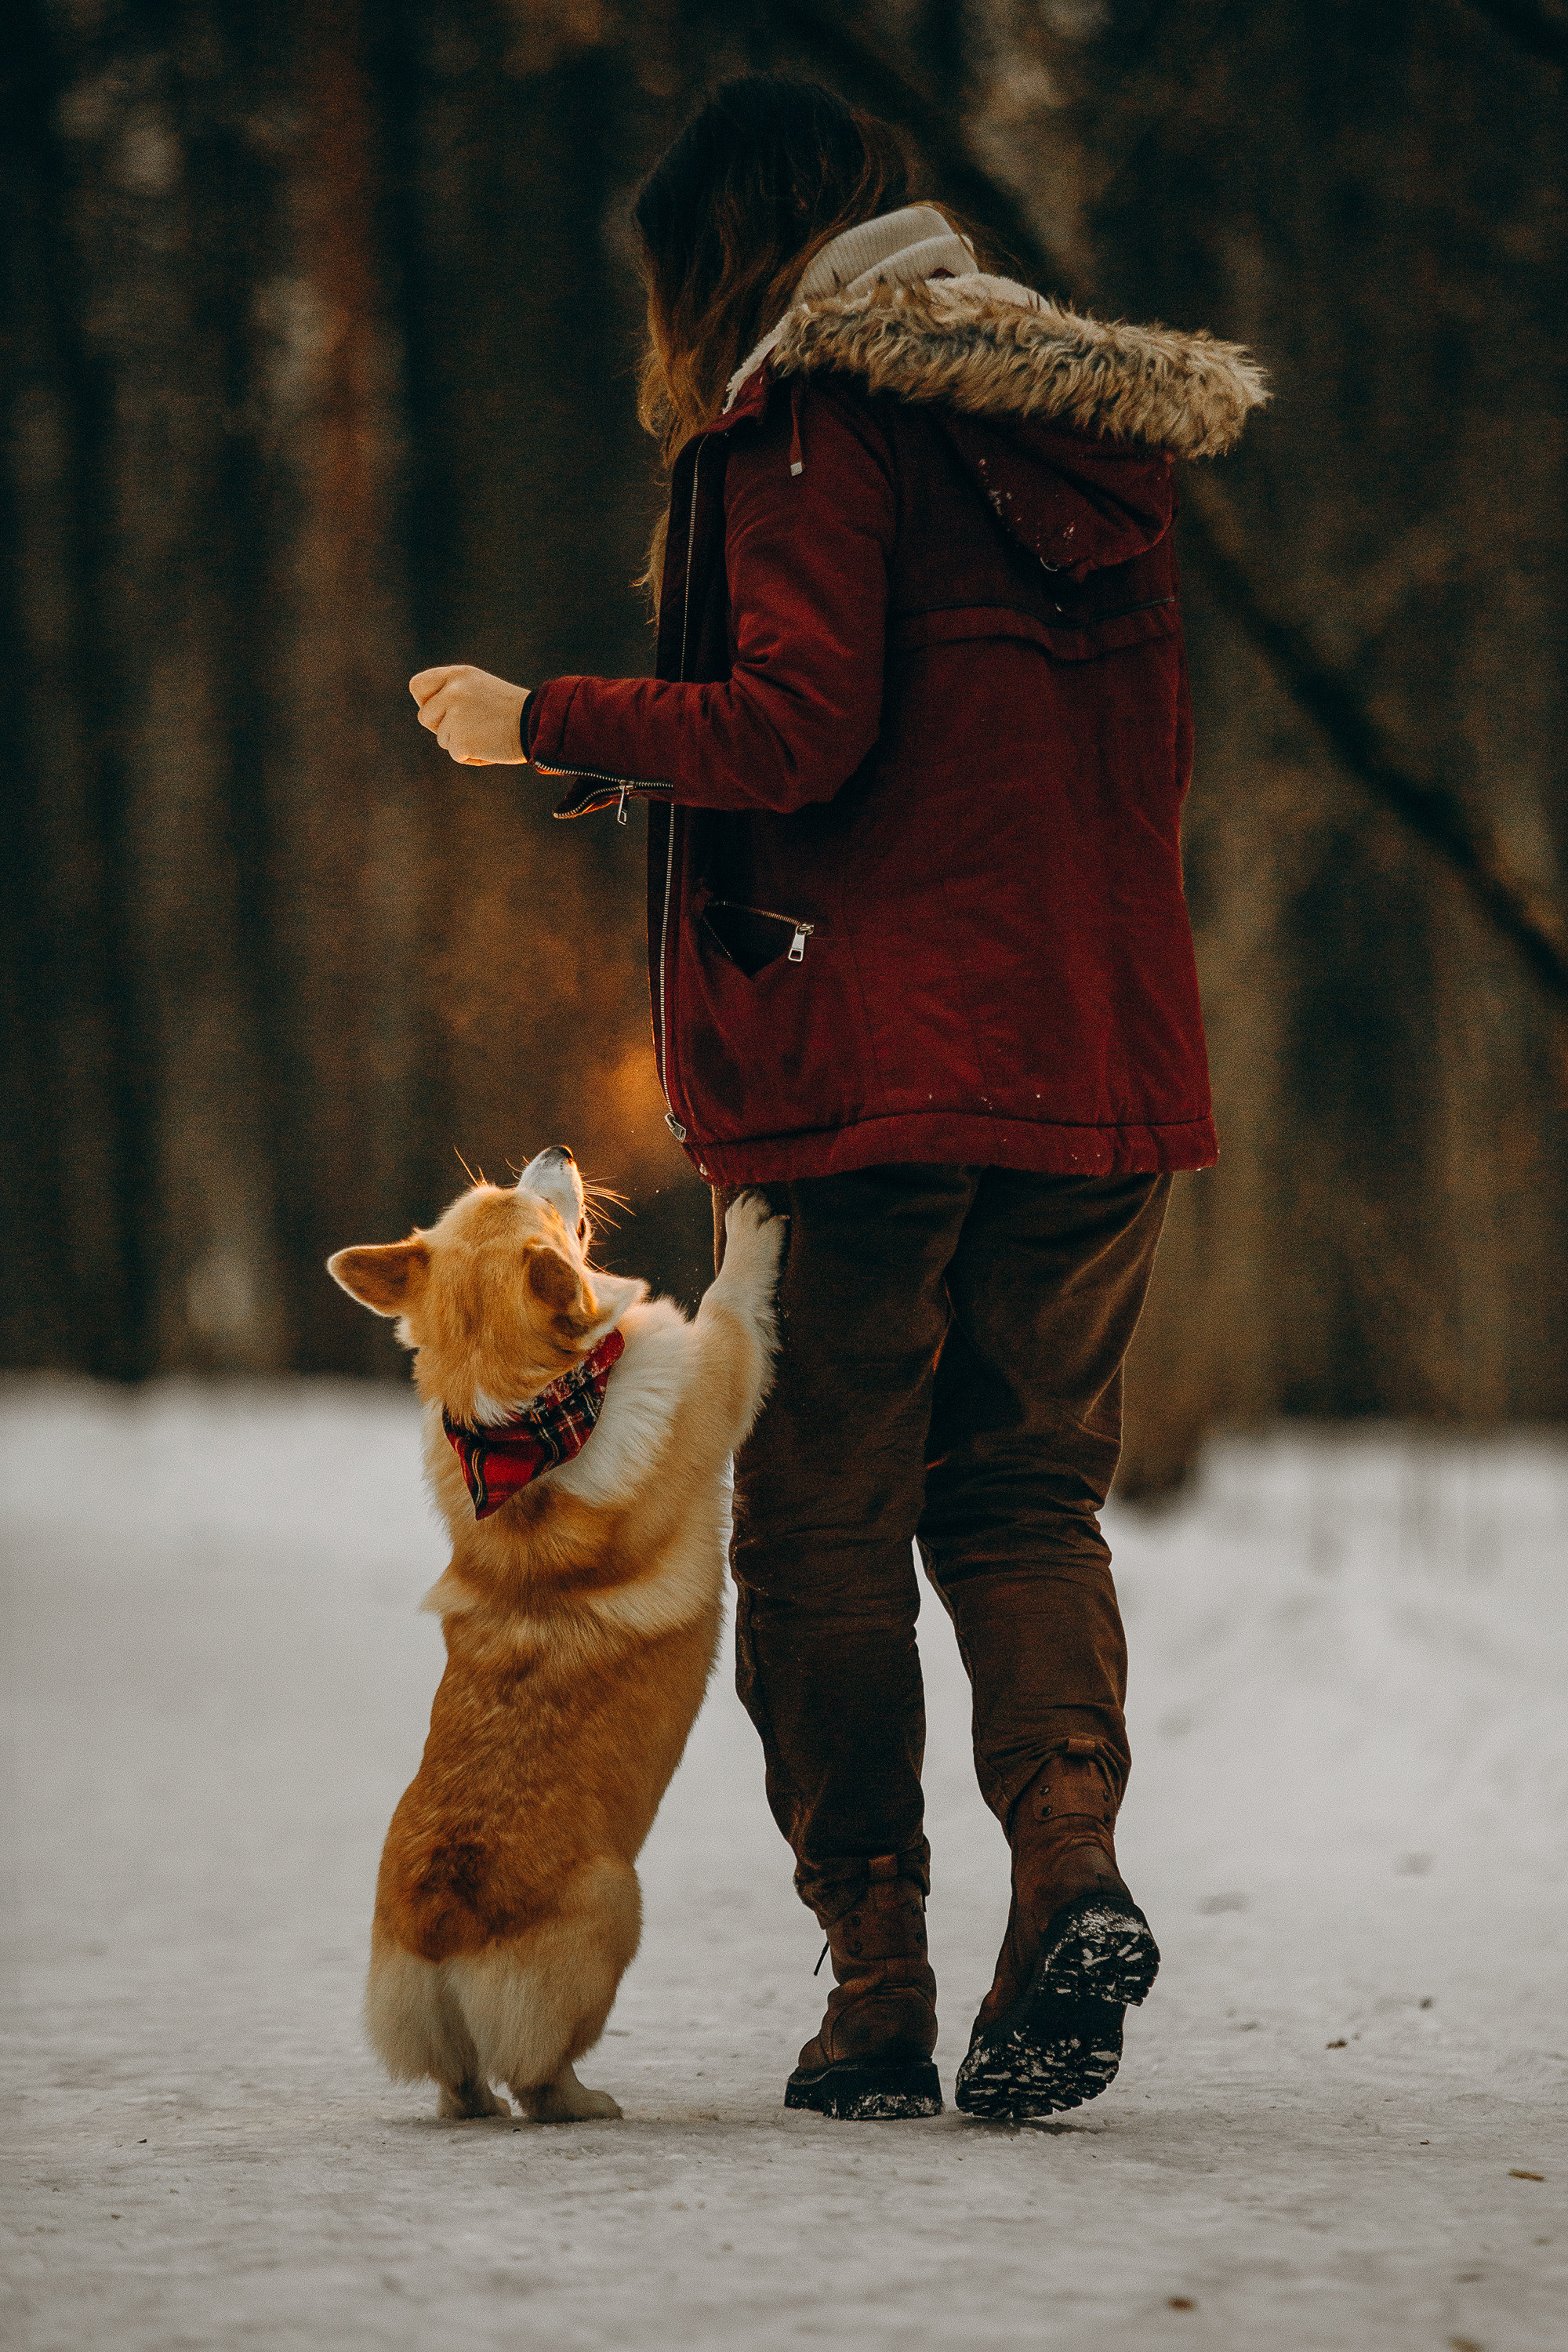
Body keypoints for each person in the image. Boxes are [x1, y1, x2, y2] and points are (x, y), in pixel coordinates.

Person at [409, 74, 1266, 2123]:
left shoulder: (814, 417)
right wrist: (650, 763)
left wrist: (545, 722)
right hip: (1098, 1062)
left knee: (818, 1521)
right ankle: (1069, 1867)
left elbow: (805, 726)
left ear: (724, 253)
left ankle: (875, 1976)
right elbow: (983, 749)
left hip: (869, 1075)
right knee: (1024, 1492)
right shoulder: (1094, 434)